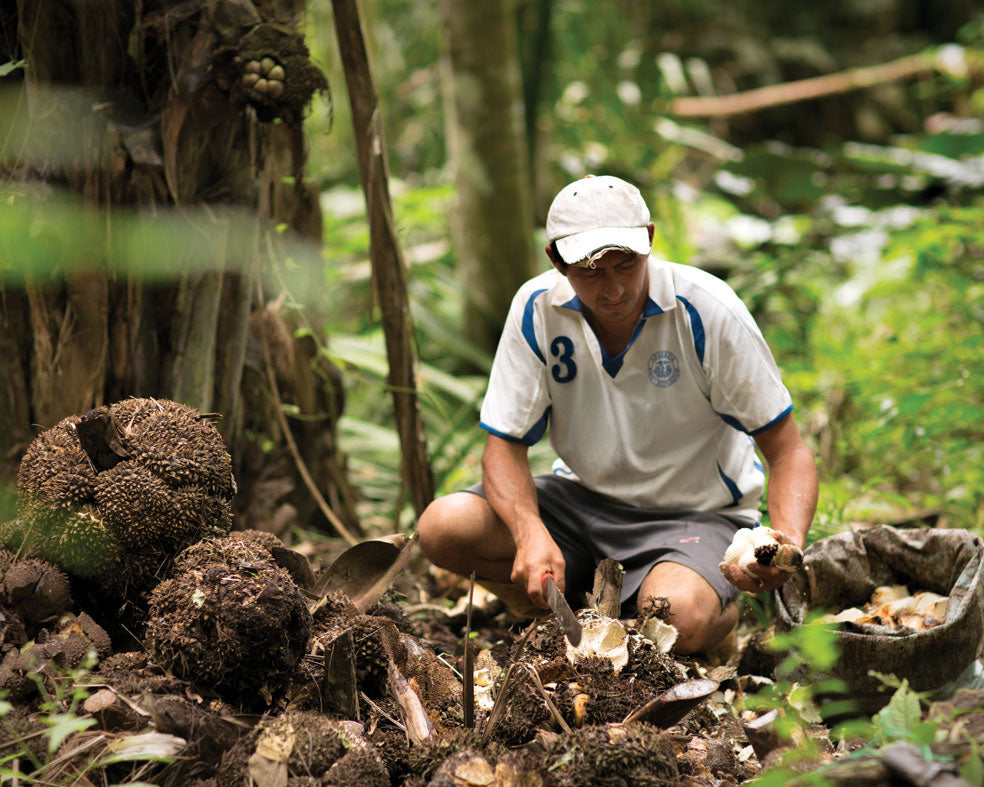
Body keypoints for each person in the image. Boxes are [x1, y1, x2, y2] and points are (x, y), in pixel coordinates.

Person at [417, 174, 818, 655]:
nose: (612, 290)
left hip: (696, 517)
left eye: (625, 265)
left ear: (649, 240)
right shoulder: (536, 309)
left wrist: (782, 545)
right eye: (589, 271)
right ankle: (567, 602)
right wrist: (529, 534)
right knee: (444, 526)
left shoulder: (707, 312)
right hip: (580, 503)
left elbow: (787, 449)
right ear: (556, 261)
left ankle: (717, 608)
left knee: (678, 618)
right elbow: (503, 446)